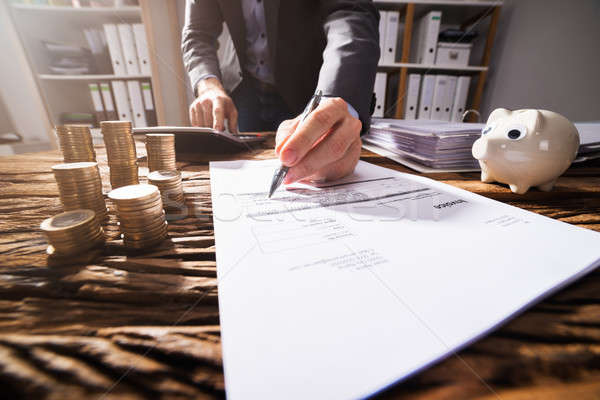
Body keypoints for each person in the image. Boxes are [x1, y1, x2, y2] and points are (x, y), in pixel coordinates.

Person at [182, 0, 379, 184]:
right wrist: (208, 85)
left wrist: (337, 97)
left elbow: (350, 12)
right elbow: (197, 33)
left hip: (306, 88)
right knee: (250, 168)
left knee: (317, 163)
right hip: (244, 94)